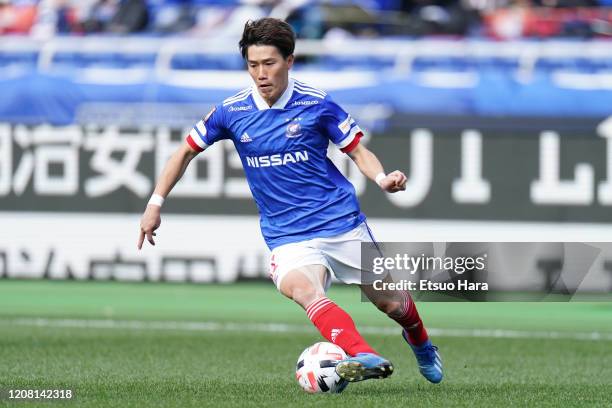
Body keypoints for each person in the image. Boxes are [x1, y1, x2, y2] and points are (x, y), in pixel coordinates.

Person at [138, 17, 443, 385]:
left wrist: (382, 178)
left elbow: (358, 151)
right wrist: (155, 203)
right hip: (286, 234)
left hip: (340, 223)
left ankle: (421, 342)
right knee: (305, 290)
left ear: (290, 61)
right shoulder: (231, 112)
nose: (261, 73)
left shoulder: (317, 104)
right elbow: (183, 153)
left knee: (392, 304)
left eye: (270, 63)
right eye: (253, 65)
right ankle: (362, 354)